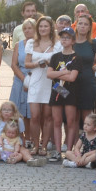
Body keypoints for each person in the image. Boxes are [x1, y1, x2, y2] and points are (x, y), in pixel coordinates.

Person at [24, 16, 61, 157]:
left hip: (50, 82)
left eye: (46, 26)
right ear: (37, 28)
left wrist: (50, 63)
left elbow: (60, 64)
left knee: (47, 116)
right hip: (35, 81)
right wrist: (37, 63)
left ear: (51, 28)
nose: (43, 29)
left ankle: (44, 146)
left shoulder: (57, 44)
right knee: (35, 115)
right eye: (41, 26)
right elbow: (26, 63)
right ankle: (34, 144)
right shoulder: (31, 43)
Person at [47, 27, 82, 158]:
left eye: (67, 37)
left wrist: (58, 75)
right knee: (57, 121)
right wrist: (64, 72)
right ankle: (57, 150)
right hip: (57, 89)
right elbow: (49, 74)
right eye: (62, 37)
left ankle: (68, 149)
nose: (64, 40)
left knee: (70, 121)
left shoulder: (76, 58)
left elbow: (72, 78)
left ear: (73, 41)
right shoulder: (55, 57)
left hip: (71, 91)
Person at [72, 14, 96, 124]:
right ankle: (72, 141)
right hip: (71, 83)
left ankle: (87, 140)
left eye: (86, 24)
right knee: (72, 117)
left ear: (89, 28)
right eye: (80, 23)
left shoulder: (93, 42)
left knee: (87, 116)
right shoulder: (69, 42)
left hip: (88, 82)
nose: (82, 26)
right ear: (76, 25)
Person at [9, 18, 35, 136]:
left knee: (31, 112)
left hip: (35, 80)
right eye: (25, 28)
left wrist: (30, 81)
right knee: (16, 111)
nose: (27, 31)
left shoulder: (39, 45)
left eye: (30, 28)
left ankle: (29, 137)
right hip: (20, 80)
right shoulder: (18, 44)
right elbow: (14, 64)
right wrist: (24, 80)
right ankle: (16, 136)